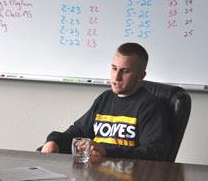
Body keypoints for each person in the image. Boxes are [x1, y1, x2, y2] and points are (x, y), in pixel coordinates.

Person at [41, 42, 170, 161]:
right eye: (114, 68)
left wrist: (106, 151)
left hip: (129, 179)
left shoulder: (150, 106)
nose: (116, 77)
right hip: (96, 176)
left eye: (125, 71)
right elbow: (78, 131)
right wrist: (54, 141)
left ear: (141, 76)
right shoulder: (105, 98)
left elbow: (153, 153)